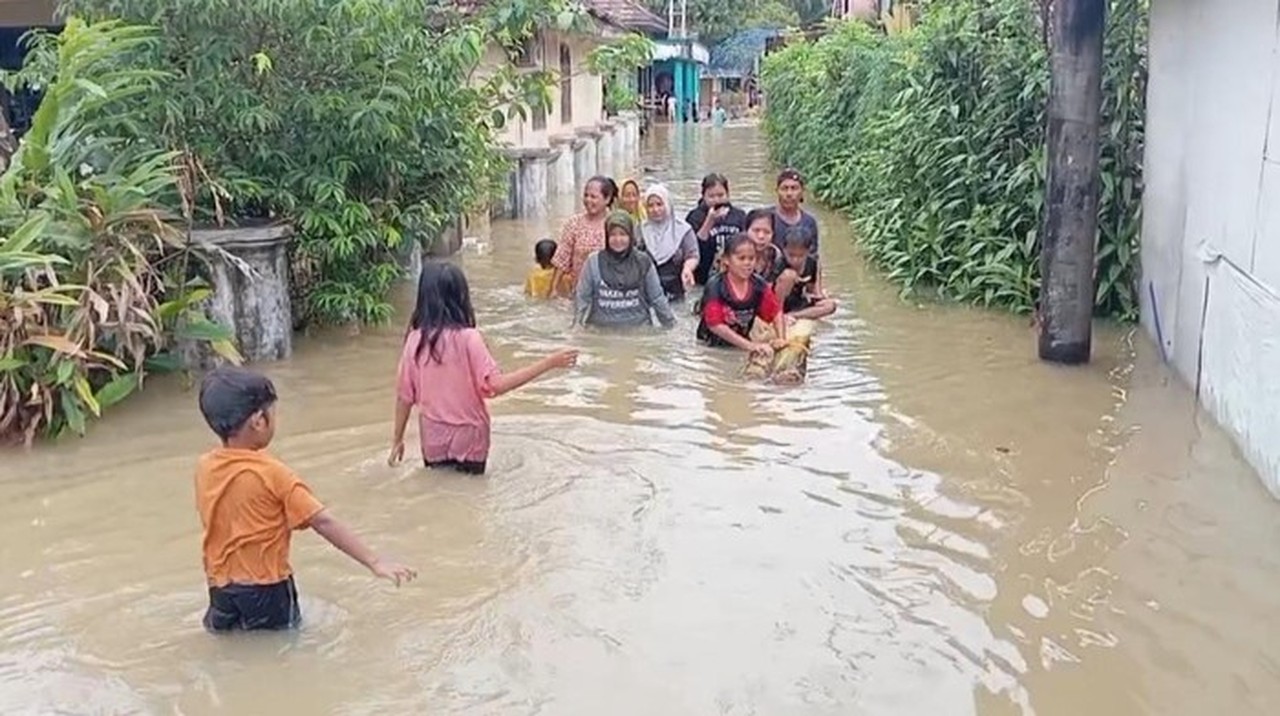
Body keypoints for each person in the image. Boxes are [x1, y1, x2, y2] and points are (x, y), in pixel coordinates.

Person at [194, 367, 416, 633]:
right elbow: (322, 521)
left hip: (220, 588)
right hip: (267, 590)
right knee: (282, 652)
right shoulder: (273, 474)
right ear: (258, 420)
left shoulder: (205, 467)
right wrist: (375, 562)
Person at [390, 262, 579, 475]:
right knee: (472, 499)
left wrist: (398, 439)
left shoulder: (414, 341)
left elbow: (404, 397)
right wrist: (548, 363)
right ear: (461, 296)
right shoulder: (470, 338)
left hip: (433, 435)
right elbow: (496, 386)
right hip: (471, 435)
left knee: (439, 492)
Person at [575, 211, 676, 329]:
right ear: (607, 237)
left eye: (623, 234)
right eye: (613, 235)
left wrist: (671, 326)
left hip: (639, 332)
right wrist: (576, 328)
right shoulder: (593, 262)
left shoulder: (643, 262)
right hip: (600, 331)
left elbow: (657, 298)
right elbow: (582, 298)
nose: (618, 240)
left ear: (631, 236)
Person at [697, 233, 788, 357]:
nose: (747, 263)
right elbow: (715, 325)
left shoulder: (759, 285)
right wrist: (750, 346)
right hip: (709, 347)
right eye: (741, 258)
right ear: (726, 260)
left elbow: (775, 311)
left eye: (751, 258)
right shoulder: (715, 286)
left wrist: (781, 338)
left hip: (740, 344)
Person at [551, 176, 618, 297]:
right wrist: (553, 290)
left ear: (607, 199)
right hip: (580, 292)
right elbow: (562, 259)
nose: (588, 200)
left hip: (611, 293)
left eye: (593, 197)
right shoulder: (574, 223)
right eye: (586, 195)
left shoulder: (615, 224)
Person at [639, 183, 699, 301]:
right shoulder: (640, 230)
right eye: (650, 206)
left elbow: (693, 255)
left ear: (667, 204)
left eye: (659, 204)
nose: (655, 210)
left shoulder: (683, 229)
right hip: (646, 291)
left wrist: (687, 269)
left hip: (675, 289)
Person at [685, 173, 747, 286]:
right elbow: (693, 248)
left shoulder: (739, 215)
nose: (716, 200)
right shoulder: (694, 217)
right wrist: (710, 221)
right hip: (703, 277)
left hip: (733, 274)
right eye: (711, 196)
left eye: (720, 195)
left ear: (728, 194)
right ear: (703, 196)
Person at [773, 227, 837, 320]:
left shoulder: (812, 264)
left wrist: (820, 298)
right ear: (784, 250)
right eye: (791, 255)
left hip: (798, 303)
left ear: (807, 252)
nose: (795, 260)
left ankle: (793, 315)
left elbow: (812, 291)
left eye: (800, 256)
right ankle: (779, 315)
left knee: (830, 306)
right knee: (788, 275)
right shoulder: (779, 264)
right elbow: (768, 291)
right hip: (779, 304)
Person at [770, 168, 821, 253]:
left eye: (794, 188)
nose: (789, 194)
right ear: (777, 191)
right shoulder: (766, 218)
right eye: (784, 188)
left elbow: (813, 256)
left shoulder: (809, 222)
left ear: (802, 192)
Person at [743, 207, 782, 282]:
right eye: (756, 231)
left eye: (767, 232)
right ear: (746, 231)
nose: (761, 236)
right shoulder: (733, 252)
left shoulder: (775, 255)